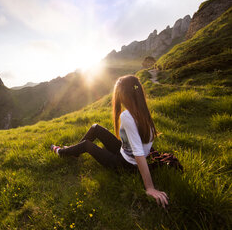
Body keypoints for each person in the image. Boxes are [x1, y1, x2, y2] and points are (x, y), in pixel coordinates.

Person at [51, 75, 169, 208]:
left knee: (87, 145)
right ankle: (75, 152)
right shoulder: (143, 109)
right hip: (124, 152)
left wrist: (150, 187)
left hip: (125, 164)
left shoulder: (127, 116)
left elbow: (138, 152)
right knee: (95, 128)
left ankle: (61, 152)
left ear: (123, 95)